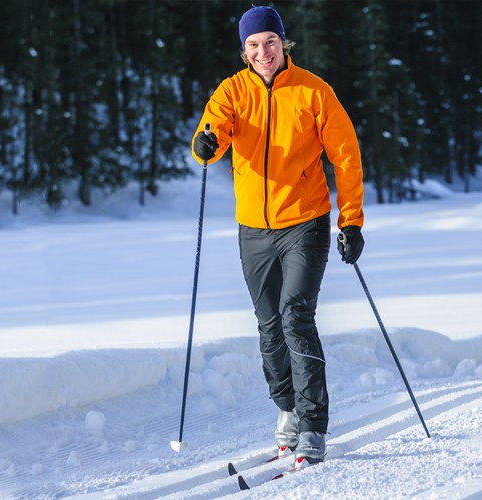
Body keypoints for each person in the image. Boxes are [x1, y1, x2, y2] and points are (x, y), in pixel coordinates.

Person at [190, 5, 365, 464]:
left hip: (305, 223)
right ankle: (286, 409)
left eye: (269, 42)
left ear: (283, 43)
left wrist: (352, 221)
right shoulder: (233, 91)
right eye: (253, 45)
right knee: (269, 326)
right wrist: (205, 144)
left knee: (295, 317)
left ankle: (313, 424)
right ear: (244, 51)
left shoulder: (313, 91)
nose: (262, 52)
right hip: (253, 229)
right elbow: (212, 134)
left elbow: (345, 156)